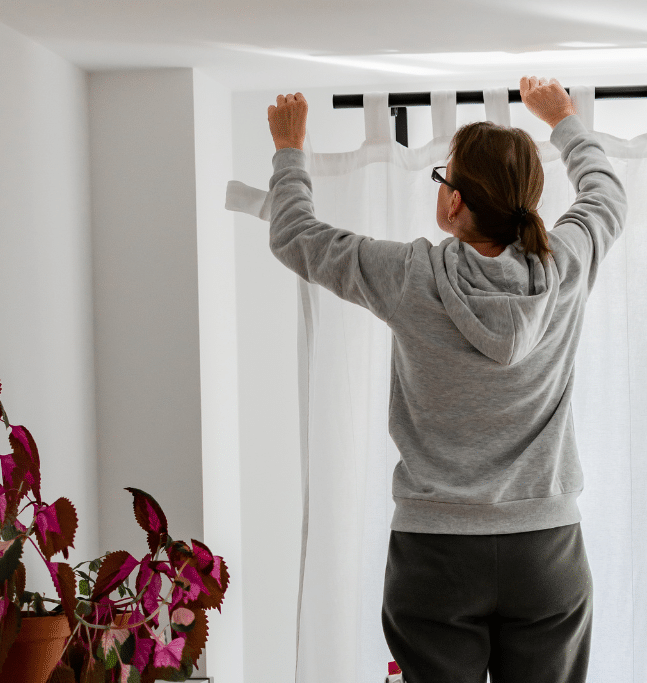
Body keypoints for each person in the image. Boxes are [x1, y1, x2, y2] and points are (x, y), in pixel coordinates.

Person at [267, 75, 626, 683]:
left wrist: (289, 149)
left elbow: (295, 237)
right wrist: (563, 117)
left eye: (444, 178)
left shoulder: (410, 273)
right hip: (546, 553)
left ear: (455, 201)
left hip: (435, 555)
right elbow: (606, 193)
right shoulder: (566, 262)